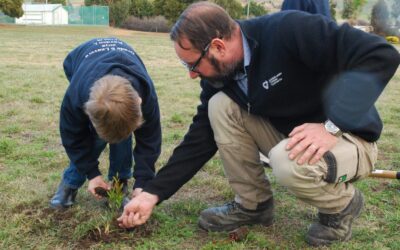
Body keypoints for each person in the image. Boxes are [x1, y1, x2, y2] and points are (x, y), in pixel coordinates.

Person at [118, 2, 400, 246]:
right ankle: (254, 205)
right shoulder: (219, 78)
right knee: (220, 106)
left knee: (285, 161)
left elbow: (381, 54)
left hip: (350, 138)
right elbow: (200, 139)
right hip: (294, 138)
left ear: (217, 46)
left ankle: (343, 206)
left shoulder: (289, 29)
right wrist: (153, 193)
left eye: (193, 65)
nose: (192, 75)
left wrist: (332, 126)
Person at [50, 38, 161, 209]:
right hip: (78, 62)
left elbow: (150, 140)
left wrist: (142, 183)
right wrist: (92, 174)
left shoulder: (146, 95)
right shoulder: (76, 96)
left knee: (120, 128)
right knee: (97, 137)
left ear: (139, 102)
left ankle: (119, 182)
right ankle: (70, 182)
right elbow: (74, 138)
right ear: (86, 110)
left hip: (123, 57)